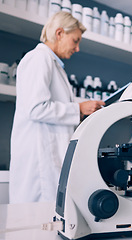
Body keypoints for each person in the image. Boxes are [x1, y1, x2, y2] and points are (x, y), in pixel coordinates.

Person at [9, 12, 105, 203]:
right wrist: (78, 108)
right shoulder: (38, 59)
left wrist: (83, 113)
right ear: (59, 33)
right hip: (39, 167)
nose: (77, 48)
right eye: (75, 41)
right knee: (36, 226)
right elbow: (36, 108)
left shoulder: (55, 66)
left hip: (51, 161)